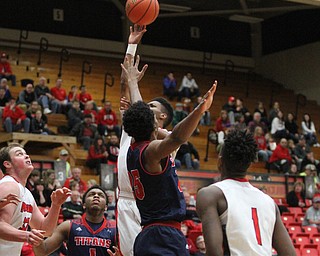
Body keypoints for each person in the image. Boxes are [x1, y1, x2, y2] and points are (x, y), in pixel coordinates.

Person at [122, 52, 217, 256]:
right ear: (153, 125)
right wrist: (199, 110)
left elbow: (141, 111)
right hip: (162, 234)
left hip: (152, 233)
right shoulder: (152, 151)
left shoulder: (135, 146)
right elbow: (176, 139)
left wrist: (132, 82)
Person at [196, 129, 295, 256]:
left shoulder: (210, 194)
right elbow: (290, 254)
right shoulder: (269, 202)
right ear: (249, 164)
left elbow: (214, 252)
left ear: (220, 162)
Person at [0, 143, 71, 255]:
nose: (27, 156)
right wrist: (27, 235)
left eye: (26, 154)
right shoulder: (9, 185)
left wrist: (56, 205)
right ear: (7, 164)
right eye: (19, 154)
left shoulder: (26, 193)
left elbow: (45, 230)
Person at [33, 185, 118, 255]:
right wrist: (37, 240)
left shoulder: (115, 228)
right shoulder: (68, 226)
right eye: (91, 194)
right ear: (83, 205)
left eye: (100, 195)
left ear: (106, 207)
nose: (96, 196)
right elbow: (42, 251)